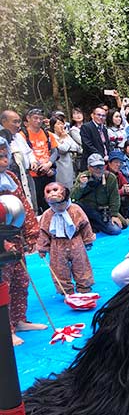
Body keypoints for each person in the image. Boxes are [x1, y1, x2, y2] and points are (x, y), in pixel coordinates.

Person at [0, 137, 45, 346]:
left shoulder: (10, 176)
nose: (3, 160)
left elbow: (24, 206)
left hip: (15, 236)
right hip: (1, 243)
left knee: (21, 280)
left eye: (5, 155)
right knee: (3, 285)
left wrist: (31, 233)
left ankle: (19, 320)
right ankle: (5, 328)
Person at [37, 182, 95, 296]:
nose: (52, 194)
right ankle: (66, 290)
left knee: (81, 264)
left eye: (55, 190)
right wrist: (42, 248)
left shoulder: (75, 209)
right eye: (48, 192)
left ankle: (84, 287)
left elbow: (85, 224)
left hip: (75, 240)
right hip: (56, 244)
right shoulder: (47, 215)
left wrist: (88, 240)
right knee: (59, 268)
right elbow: (43, 231)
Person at [71, 153, 124, 235]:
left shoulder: (110, 178)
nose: (99, 169)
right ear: (89, 167)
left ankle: (94, 224)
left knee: (116, 229)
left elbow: (115, 198)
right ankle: (87, 223)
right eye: (95, 167)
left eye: (101, 166)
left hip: (103, 211)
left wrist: (114, 215)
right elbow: (73, 197)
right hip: (87, 209)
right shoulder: (82, 177)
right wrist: (81, 186)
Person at [20, 107, 58, 212]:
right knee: (35, 202)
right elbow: (25, 154)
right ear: (28, 118)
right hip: (33, 175)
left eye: (40, 118)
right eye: (35, 118)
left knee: (51, 200)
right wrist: (38, 165)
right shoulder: (22, 135)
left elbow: (55, 151)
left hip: (48, 172)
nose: (38, 121)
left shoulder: (47, 134)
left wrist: (49, 164)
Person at [50, 114, 80, 188]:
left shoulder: (66, 135)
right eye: (58, 124)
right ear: (53, 126)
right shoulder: (52, 137)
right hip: (60, 167)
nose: (61, 126)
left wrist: (64, 140)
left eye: (62, 123)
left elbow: (76, 147)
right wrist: (64, 139)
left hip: (70, 165)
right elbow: (63, 149)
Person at [79, 106, 111, 170]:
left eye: (103, 116)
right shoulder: (86, 127)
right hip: (91, 162)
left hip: (105, 162)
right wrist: (101, 156)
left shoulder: (104, 129)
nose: (101, 117)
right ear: (92, 115)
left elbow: (107, 144)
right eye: (98, 115)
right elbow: (87, 145)